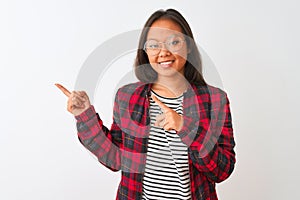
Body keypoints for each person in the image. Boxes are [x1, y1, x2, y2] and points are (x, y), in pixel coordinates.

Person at [60, 8, 236, 200]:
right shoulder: (127, 97)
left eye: (174, 42)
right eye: (154, 45)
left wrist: (186, 128)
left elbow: (222, 171)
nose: (164, 52)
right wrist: (84, 115)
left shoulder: (215, 100)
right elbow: (115, 159)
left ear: (189, 46)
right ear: (145, 51)